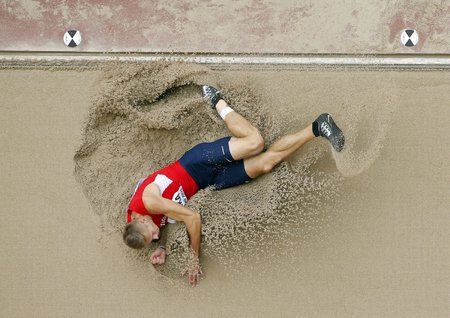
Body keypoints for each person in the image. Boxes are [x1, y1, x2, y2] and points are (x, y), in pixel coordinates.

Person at [123, 85, 345, 286]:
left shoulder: (148, 201)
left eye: (152, 233)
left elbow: (192, 218)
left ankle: (217, 101)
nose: (154, 235)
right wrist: (161, 247)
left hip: (198, 163)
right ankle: (318, 126)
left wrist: (193, 259)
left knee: (256, 143)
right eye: (152, 237)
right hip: (210, 183)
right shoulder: (138, 223)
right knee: (266, 163)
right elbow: (161, 224)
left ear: (142, 219)